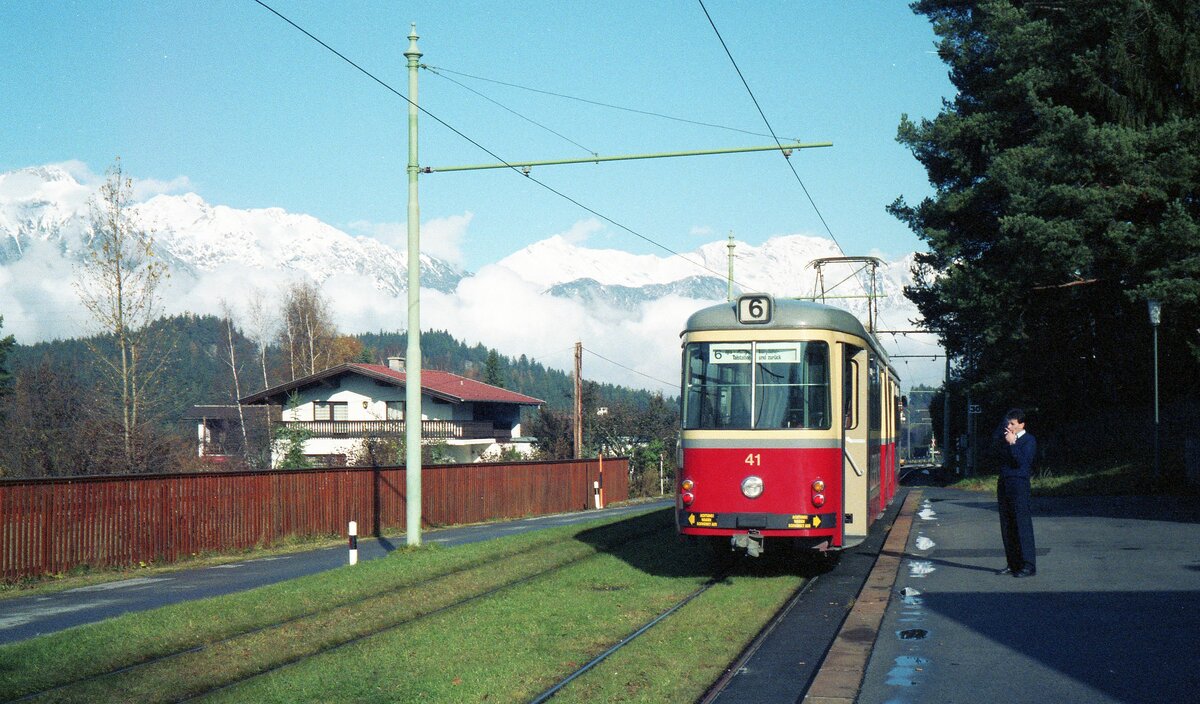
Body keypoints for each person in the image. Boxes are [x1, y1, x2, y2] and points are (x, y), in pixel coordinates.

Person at [996, 408, 1037, 577]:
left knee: (1022, 523)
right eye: (1008, 423)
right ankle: (1012, 563)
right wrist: (1005, 440)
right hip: (1005, 483)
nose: (1010, 426)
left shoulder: (1029, 440)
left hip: (1019, 484)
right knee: (1007, 525)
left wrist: (1013, 444)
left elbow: (1022, 462)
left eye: (1013, 424)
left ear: (1022, 424)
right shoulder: (1005, 439)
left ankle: (1028, 564)